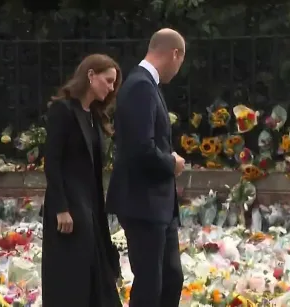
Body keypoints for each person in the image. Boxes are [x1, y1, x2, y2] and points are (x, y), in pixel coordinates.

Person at [106, 28, 186, 307]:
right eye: (181, 61)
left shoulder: (146, 85)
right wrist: (172, 162)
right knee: (150, 284)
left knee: (171, 277)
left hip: (156, 204)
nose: (178, 70)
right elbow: (142, 148)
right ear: (174, 54)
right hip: (143, 201)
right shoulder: (141, 85)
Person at [42, 54, 122, 307]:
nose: (110, 88)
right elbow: (52, 162)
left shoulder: (93, 115)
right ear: (90, 75)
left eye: (113, 84)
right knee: (72, 277)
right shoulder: (63, 110)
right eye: (108, 81)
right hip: (70, 208)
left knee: (98, 275)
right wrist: (61, 208)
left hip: (92, 206)